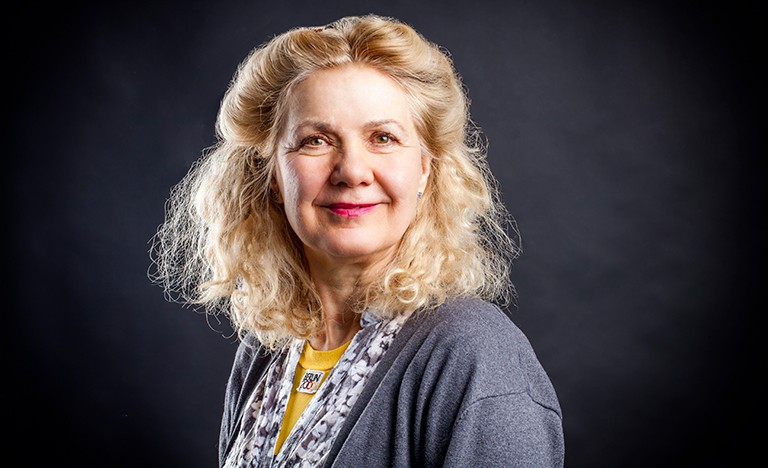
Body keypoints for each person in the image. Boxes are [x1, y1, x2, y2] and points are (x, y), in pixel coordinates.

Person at [150, 14, 564, 468]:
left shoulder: (474, 354)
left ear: (426, 167)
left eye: (383, 138)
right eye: (315, 141)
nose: (351, 171)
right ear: (271, 174)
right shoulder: (268, 354)